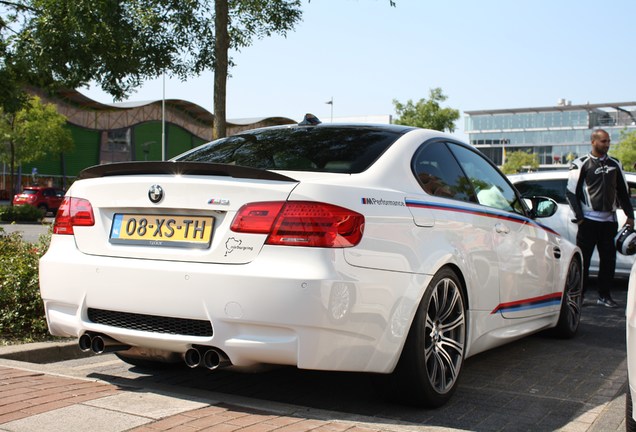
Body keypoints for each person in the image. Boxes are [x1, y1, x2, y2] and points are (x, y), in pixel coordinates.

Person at [566, 129, 634, 308]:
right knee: (584, 260)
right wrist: (580, 218)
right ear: (593, 142)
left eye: (608, 141)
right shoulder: (581, 164)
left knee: (608, 261)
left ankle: (604, 296)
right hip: (588, 221)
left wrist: (630, 216)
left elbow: (623, 192)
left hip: (609, 221)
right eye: (603, 141)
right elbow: (570, 193)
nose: (607, 144)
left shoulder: (615, 164)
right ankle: (579, 296)